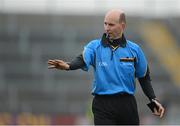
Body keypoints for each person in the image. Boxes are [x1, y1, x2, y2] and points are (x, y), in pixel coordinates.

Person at [48, 9, 165, 125]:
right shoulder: (94, 46)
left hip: (127, 105)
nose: (107, 28)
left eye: (111, 24)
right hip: (102, 104)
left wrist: (153, 100)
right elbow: (82, 59)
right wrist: (69, 66)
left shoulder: (135, 50)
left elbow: (144, 77)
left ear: (122, 26)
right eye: (105, 23)